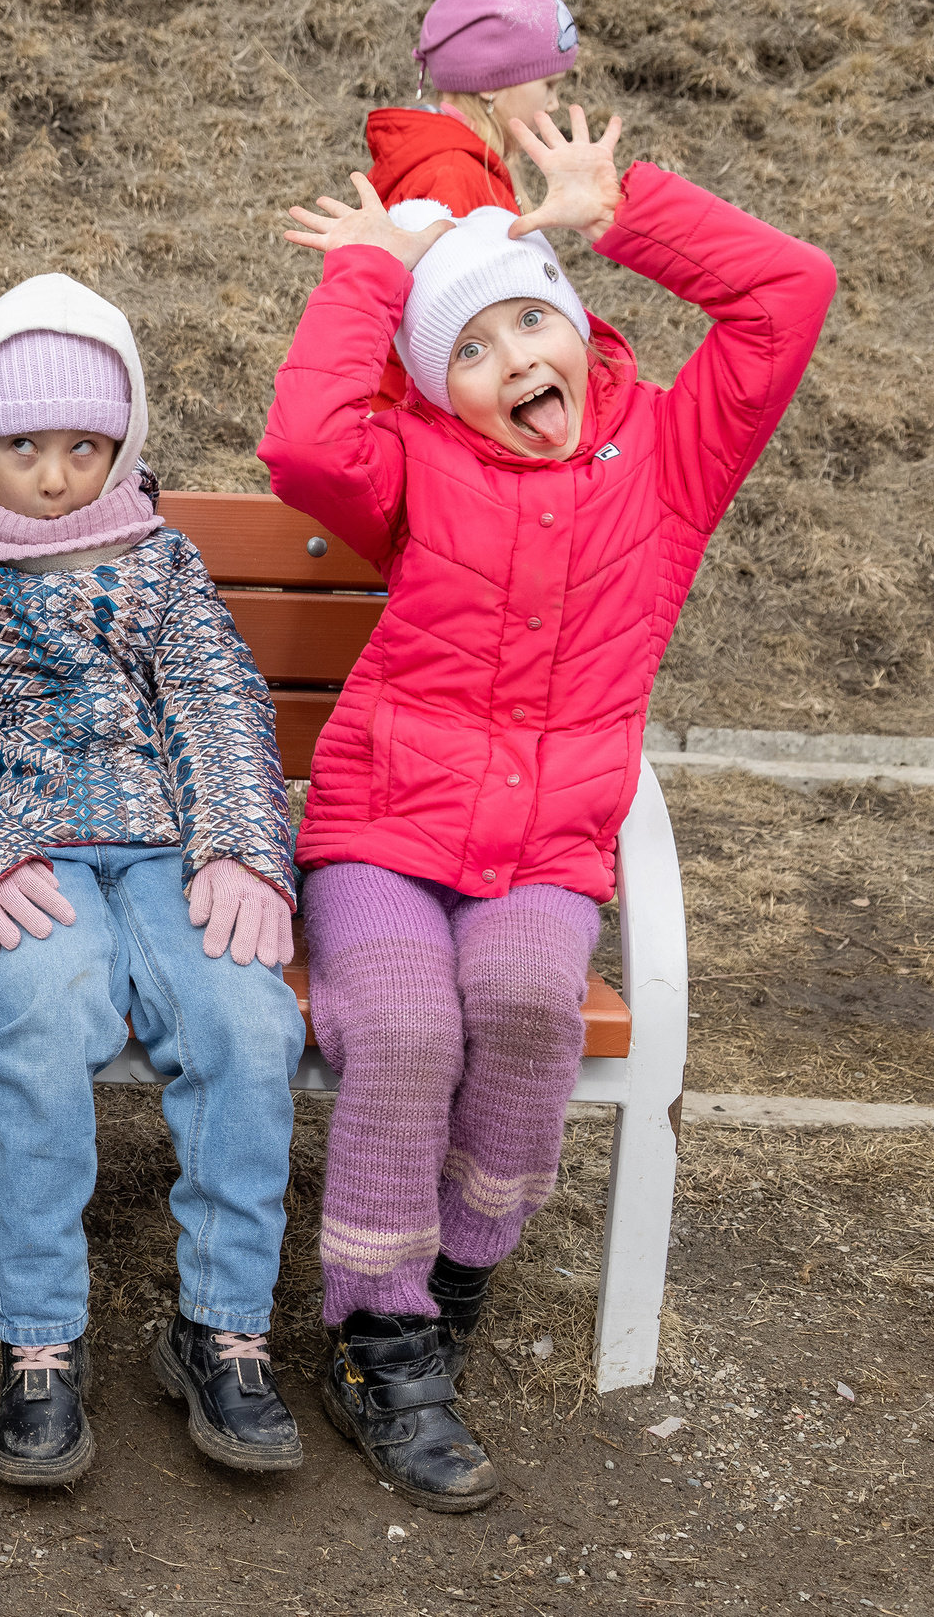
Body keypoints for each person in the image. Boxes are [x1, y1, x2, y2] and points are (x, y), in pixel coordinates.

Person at [267, 109, 834, 1509]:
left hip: (543, 853)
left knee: (526, 1005)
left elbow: (789, 293)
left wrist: (620, 209)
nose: (515, 358)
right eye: (469, 348)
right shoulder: (416, 465)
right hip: (381, 839)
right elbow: (304, 444)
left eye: (531, 320)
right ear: (437, 388)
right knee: (404, 1026)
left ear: (577, 327)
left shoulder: (672, 459)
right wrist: (376, 274)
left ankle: (457, 1277)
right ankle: (379, 1339)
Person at [0, 272, 309, 1486]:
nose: (53, 477)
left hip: (165, 848)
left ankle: (222, 1327)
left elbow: (214, 697)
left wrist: (240, 845)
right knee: (48, 1014)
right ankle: (40, 1338)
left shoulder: (158, 561)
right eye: (21, 448)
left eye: (84, 448)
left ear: (123, 443)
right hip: (15, 856)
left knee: (246, 1020)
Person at [363, 0, 581, 410]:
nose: (555, 102)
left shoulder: (463, 162)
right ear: (491, 83)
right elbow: (461, 339)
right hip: (430, 420)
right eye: (548, 84)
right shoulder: (453, 181)